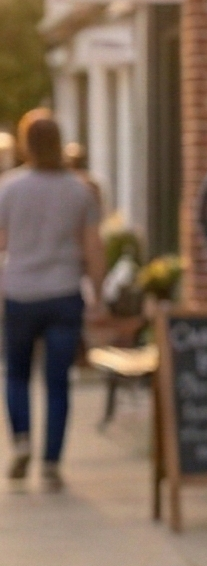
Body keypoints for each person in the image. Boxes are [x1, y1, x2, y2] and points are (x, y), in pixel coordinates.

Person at [0, 110, 104, 488]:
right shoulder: (79, 190)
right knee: (58, 381)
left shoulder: (9, 188)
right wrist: (98, 294)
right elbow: (93, 248)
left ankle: (22, 440)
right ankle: (51, 463)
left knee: (17, 373)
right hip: (63, 293)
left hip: (20, 293)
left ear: (26, 144)